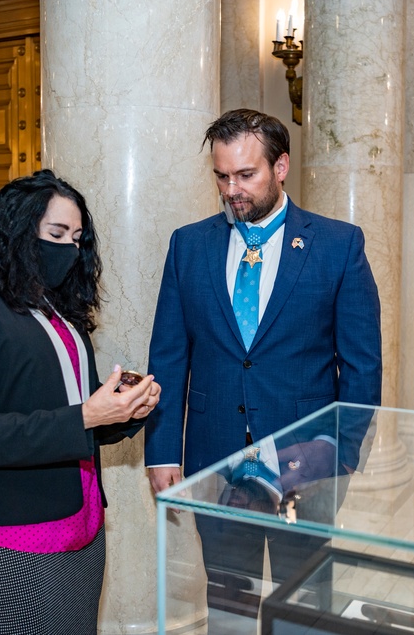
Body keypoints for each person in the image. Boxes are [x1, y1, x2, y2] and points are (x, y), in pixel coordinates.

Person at [144, 108, 382, 617]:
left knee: (305, 607)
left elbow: (362, 367)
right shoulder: (189, 246)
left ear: (281, 167)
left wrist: (339, 454)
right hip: (216, 461)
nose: (232, 190)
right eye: (221, 176)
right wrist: (162, 452)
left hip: (307, 465)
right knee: (229, 603)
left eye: (245, 175)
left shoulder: (338, 246)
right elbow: (168, 356)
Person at [0, 170, 160, 634]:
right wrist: (87, 415)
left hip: (81, 510)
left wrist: (123, 412)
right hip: (16, 520)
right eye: (55, 234)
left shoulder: (54, 307)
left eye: (76, 238)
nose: (68, 248)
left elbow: (71, 412)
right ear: (15, 228)